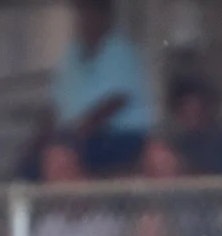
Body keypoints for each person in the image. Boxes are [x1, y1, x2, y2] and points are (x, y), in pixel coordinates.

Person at [48, 0, 154, 176]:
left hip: (121, 137)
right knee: (32, 163)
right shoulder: (72, 55)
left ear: (105, 17)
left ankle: (80, 202)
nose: (84, 20)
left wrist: (78, 132)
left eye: (89, 14)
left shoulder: (121, 50)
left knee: (61, 156)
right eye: (81, 14)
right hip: (80, 137)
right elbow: (56, 102)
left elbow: (116, 101)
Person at [163, 75, 222, 175]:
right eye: (184, 109)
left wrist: (186, 170)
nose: (191, 114)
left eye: (195, 109)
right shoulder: (180, 142)